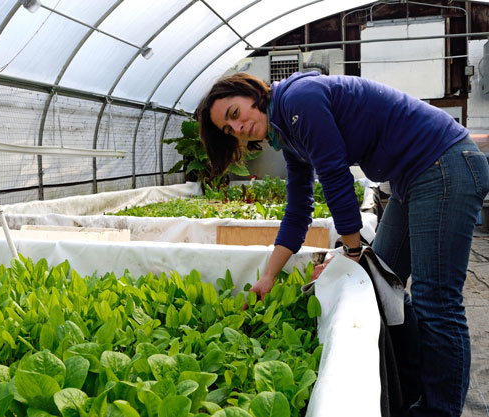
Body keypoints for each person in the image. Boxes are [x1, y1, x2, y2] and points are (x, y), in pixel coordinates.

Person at [196, 71, 489, 417]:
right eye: (230, 130)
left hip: (443, 164)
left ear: (250, 93)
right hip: (411, 178)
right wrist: (268, 277)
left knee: (436, 299)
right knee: (385, 287)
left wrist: (352, 251)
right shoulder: (289, 135)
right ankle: (415, 390)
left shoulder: (298, 99)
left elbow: (335, 176)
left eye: (234, 114)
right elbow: (299, 209)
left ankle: (439, 409)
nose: (239, 128)